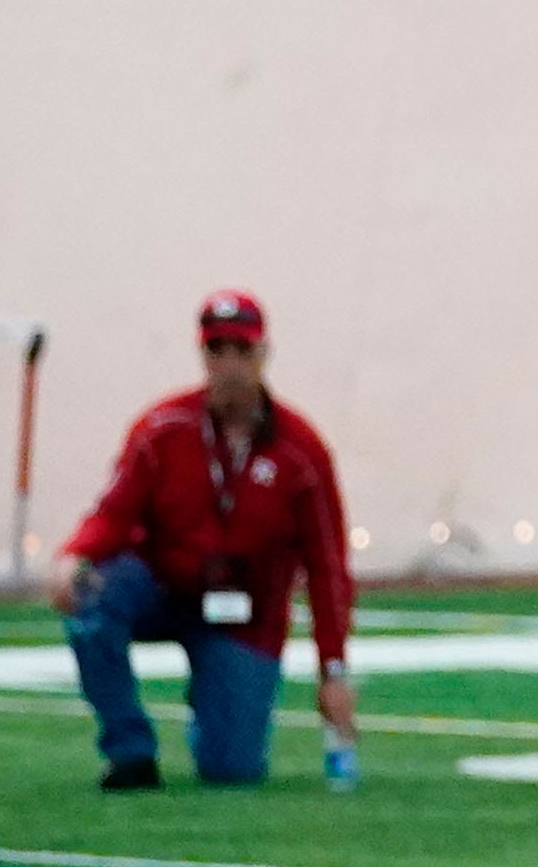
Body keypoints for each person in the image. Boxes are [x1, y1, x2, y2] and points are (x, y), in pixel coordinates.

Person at [47, 291, 355, 788]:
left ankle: (215, 696)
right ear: (202, 354)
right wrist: (74, 556)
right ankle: (130, 752)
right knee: (92, 601)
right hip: (164, 585)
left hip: (245, 615)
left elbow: (327, 566)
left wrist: (333, 669)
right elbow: (114, 512)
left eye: (241, 349)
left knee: (233, 769)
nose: (229, 364)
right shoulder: (163, 430)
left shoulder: (301, 452)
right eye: (217, 349)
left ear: (263, 355)